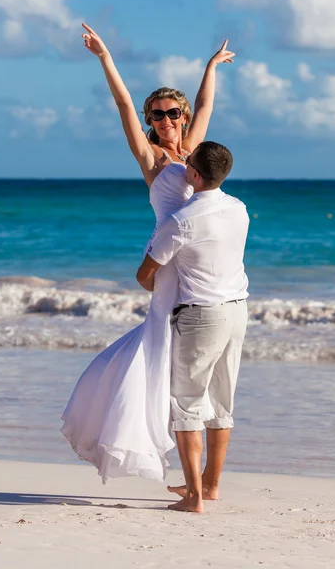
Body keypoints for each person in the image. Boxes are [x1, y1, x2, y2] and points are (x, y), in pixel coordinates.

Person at [61, 24, 235, 483]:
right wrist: (105, 57)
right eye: (156, 115)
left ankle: (207, 483)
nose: (165, 121)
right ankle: (171, 462)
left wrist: (210, 67)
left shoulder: (196, 150)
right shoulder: (151, 158)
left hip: (202, 272)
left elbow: (206, 106)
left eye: (171, 113)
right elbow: (121, 104)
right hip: (167, 269)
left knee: (199, 375)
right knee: (165, 364)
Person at [137, 141, 249, 513]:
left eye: (189, 165)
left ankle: (194, 498)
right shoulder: (239, 208)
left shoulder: (182, 220)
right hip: (237, 311)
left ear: (195, 175)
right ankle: (211, 485)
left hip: (201, 315)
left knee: (186, 406)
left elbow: (146, 274)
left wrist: (158, 284)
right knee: (221, 403)